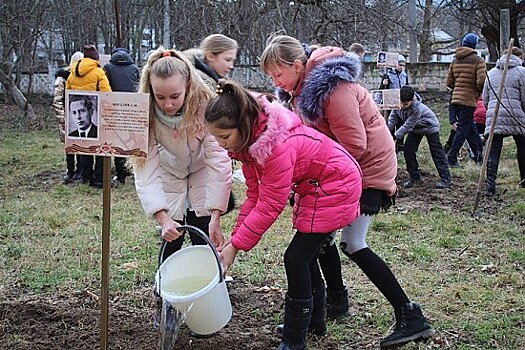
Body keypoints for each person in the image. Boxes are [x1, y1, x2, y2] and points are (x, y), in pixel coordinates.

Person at [260, 35, 433, 349]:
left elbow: (355, 144)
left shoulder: (332, 89)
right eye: (271, 78)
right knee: (317, 241)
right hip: (340, 171)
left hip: (365, 172)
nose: (276, 81)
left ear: (297, 66)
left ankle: (410, 315)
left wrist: (311, 169)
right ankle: (326, 310)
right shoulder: (300, 91)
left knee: (352, 243)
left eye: (278, 74)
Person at [204, 79, 363, 350]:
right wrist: (234, 240)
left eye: (224, 137)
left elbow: (270, 205)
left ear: (243, 125)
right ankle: (314, 322)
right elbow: (254, 195)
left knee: (296, 258)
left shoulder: (276, 147)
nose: (220, 145)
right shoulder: (253, 144)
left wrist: (237, 247)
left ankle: (294, 339)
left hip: (335, 185)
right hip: (317, 186)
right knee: (306, 256)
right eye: (215, 138)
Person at [133, 47, 232, 329]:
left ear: (188, 85)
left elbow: (218, 161)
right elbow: (145, 168)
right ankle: (167, 307)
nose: (167, 104)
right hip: (169, 174)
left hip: (201, 173)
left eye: (175, 96)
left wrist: (215, 214)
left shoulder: (206, 105)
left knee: (204, 238)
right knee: (171, 242)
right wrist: (162, 217)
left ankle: (211, 297)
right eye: (160, 96)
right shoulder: (146, 112)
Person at [66, 44, 112, 189]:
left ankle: (85, 178)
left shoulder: (72, 74)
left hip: (77, 116)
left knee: (84, 147)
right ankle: (99, 180)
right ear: (96, 58)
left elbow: (67, 94)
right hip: (97, 117)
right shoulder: (98, 72)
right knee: (99, 148)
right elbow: (107, 94)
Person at [388, 86, 451, 189]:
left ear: (412, 100)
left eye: (405, 104)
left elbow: (408, 125)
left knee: (436, 152)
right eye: (401, 103)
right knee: (408, 150)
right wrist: (387, 132)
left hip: (430, 126)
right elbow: (392, 119)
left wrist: (395, 136)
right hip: (416, 128)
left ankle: (445, 178)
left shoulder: (417, 108)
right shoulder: (397, 104)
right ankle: (415, 177)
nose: (402, 106)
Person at [482, 46, 525, 196]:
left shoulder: (491, 73)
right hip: (516, 115)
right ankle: (524, 180)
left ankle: (490, 185)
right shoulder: (522, 72)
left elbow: (485, 98)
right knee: (522, 147)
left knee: (493, 151)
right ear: (519, 57)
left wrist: (491, 110)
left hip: (494, 116)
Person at [446, 32, 486, 167]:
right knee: (463, 129)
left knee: (470, 128)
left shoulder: (455, 60)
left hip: (456, 98)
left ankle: (479, 153)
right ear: (474, 45)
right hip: (468, 100)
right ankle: (451, 157)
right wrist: (477, 92)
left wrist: (458, 88)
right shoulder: (478, 61)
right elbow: (481, 81)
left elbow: (449, 82)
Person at [103, 47, 141, 187]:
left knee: (117, 143)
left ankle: (121, 176)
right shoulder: (135, 68)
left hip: (115, 111)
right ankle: (136, 173)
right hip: (134, 110)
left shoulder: (108, 67)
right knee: (135, 142)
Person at [53, 51, 83, 183]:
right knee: (69, 147)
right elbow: (57, 100)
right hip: (67, 116)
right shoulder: (62, 79)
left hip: (77, 115)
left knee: (81, 145)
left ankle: (79, 170)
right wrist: (63, 119)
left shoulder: (80, 76)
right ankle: (71, 171)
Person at [380, 54, 409, 154]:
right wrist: (384, 84)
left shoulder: (404, 75)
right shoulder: (387, 75)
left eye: (403, 65)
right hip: (390, 103)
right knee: (391, 123)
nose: (401, 67)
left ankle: (400, 146)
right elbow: (382, 90)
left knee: (401, 124)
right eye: (400, 65)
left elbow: (406, 88)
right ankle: (390, 143)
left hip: (400, 103)